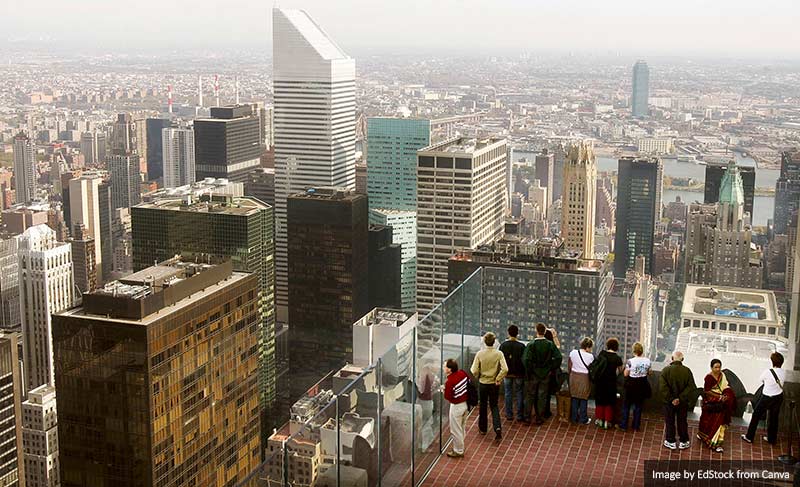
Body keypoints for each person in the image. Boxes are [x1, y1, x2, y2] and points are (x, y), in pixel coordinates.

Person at [471, 332, 508, 440]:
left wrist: (478, 376)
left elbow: (474, 370)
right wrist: (498, 378)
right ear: (494, 341)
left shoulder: (480, 354)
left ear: (484, 341)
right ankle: (497, 427)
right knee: (494, 405)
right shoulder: (499, 354)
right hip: (494, 384)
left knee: (483, 405)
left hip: (483, 383)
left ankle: (483, 428)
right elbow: (505, 369)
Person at [522, 323, 562, 425]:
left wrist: (531, 370)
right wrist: (550, 367)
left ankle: (527, 417)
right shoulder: (549, 344)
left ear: (536, 331)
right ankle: (539, 417)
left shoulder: (531, 345)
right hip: (545, 374)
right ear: (544, 332)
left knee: (530, 395)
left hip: (533, 374)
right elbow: (558, 357)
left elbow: (526, 359)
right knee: (542, 396)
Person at [743, 352, 786, 445]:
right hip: (778, 397)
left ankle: (749, 437)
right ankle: (772, 439)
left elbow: (761, 380)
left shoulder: (768, 371)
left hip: (766, 397)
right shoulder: (783, 372)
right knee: (774, 418)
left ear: (772, 361)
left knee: (756, 416)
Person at [659, 351, 697, 450]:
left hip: (668, 402)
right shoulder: (687, 371)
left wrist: (672, 399)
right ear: (682, 359)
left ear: (672, 358)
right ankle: (683, 441)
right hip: (682, 402)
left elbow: (663, 387)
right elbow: (691, 387)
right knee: (682, 421)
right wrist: (680, 398)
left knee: (670, 421)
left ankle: (670, 441)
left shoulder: (665, 370)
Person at [697, 359, 736, 453]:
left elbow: (726, 386)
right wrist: (719, 397)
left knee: (720, 423)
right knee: (706, 421)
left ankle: (717, 443)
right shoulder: (708, 377)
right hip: (711, 402)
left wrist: (726, 396)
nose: (718, 369)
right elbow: (707, 391)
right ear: (711, 367)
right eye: (716, 367)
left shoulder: (722, 375)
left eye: (719, 367)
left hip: (722, 402)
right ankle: (703, 435)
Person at [619, 342, 652, 432]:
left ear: (634, 351)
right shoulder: (647, 361)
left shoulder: (630, 361)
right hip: (642, 384)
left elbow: (626, 374)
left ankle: (624, 425)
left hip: (631, 385)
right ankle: (636, 425)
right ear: (642, 351)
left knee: (626, 406)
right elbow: (650, 372)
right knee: (638, 406)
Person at [594, 337, 624, 429]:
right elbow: (621, 370)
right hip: (611, 382)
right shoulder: (617, 358)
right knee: (609, 402)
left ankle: (599, 420)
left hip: (600, 381)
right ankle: (607, 421)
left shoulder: (602, 354)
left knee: (599, 400)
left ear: (607, 345)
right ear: (616, 347)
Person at [499, 325, 526, 422]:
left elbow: (500, 359)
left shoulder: (503, 345)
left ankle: (509, 414)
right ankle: (519, 415)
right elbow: (524, 360)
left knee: (508, 393)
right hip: (519, 373)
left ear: (508, 333)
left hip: (507, 373)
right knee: (519, 393)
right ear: (517, 333)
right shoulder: (522, 346)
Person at [444, 358, 469, 458]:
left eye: (445, 366)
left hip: (456, 407)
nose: (443, 368)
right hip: (465, 404)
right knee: (462, 427)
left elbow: (447, 396)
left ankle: (458, 450)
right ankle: (461, 445)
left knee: (455, 430)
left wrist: (445, 389)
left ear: (449, 369)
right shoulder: (462, 373)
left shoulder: (450, 381)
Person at [568, 337, 594, 425]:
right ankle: (583, 418)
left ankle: (573, 417)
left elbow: (570, 365)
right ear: (588, 347)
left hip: (574, 376)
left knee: (574, 397)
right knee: (584, 398)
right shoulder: (590, 357)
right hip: (584, 378)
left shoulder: (573, 352)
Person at [543, 328, 561, 419]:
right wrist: (554, 336)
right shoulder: (552, 346)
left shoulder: (541, 344)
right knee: (548, 393)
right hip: (550, 372)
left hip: (539, 372)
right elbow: (558, 347)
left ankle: (539, 410)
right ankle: (546, 411)